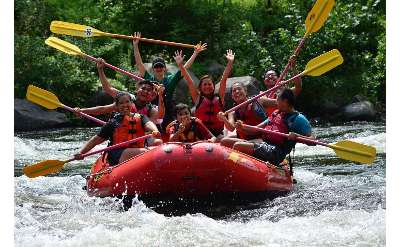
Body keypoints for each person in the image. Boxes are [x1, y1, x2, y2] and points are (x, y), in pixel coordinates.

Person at [132, 32, 207, 130]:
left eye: (161, 66)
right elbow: (139, 63)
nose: (158, 68)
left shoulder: (171, 79)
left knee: (168, 128)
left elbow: (185, 68)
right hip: (152, 110)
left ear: (164, 68)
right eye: (156, 67)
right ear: (153, 69)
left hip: (168, 110)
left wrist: (195, 53)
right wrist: (135, 45)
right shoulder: (149, 79)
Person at [74, 92, 162, 166]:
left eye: (127, 102)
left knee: (158, 143)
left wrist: (155, 130)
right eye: (121, 103)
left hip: (138, 150)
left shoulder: (141, 117)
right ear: (116, 106)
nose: (125, 105)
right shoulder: (113, 123)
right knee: (152, 151)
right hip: (118, 154)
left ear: (131, 103)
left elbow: (149, 124)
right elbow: (95, 140)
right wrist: (81, 152)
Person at [231, 88, 312, 165]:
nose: (276, 102)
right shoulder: (276, 113)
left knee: (238, 146)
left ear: (285, 101)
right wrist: (242, 127)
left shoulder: (299, 119)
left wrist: (297, 136)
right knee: (229, 143)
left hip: (276, 151)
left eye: (277, 99)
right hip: (264, 144)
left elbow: (312, 141)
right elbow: (257, 129)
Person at [173, 49, 235, 140]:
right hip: (200, 135)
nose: (207, 86)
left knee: (223, 140)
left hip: (217, 135)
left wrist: (230, 63)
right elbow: (190, 82)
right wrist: (181, 65)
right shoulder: (198, 98)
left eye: (209, 84)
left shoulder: (219, 97)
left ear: (213, 86)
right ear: (200, 87)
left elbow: (224, 80)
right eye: (204, 84)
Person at [218, 81, 276, 148]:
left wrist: (284, 90)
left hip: (262, 139)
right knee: (223, 141)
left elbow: (278, 103)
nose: (237, 91)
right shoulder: (232, 112)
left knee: (235, 144)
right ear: (232, 96)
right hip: (245, 140)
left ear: (245, 91)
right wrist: (224, 119)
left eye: (239, 89)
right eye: (234, 91)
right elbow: (231, 128)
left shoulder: (259, 100)